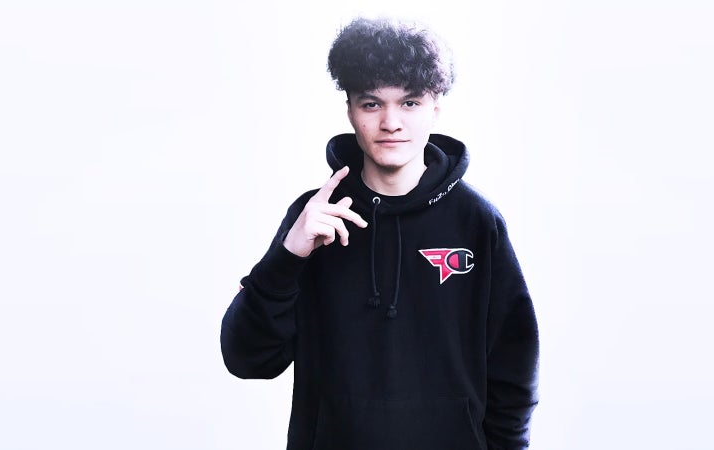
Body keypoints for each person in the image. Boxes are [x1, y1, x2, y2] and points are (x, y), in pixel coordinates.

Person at [221, 17, 539, 450]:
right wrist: (287, 258)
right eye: (372, 104)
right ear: (350, 110)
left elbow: (513, 366)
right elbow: (246, 359)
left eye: (410, 103)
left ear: (435, 108)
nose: (391, 122)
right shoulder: (314, 219)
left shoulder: (477, 222)